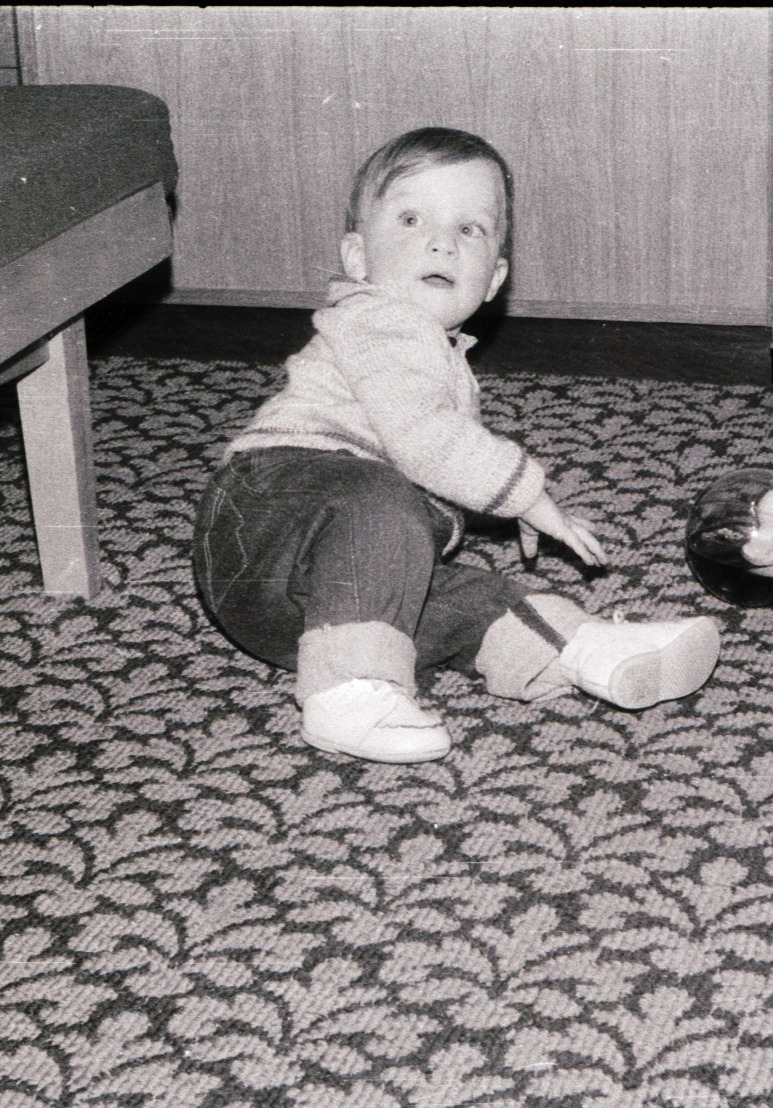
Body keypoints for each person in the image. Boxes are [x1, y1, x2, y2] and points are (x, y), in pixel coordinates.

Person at [192, 127, 720, 763]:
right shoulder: (378, 319)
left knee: (461, 596)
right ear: (357, 258)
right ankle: (353, 689)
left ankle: (582, 649)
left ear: (493, 278)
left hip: (304, 610)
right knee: (379, 501)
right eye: (411, 218)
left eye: (470, 229)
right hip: (266, 514)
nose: (440, 240)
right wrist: (526, 496)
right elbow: (424, 440)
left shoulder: (437, 354)